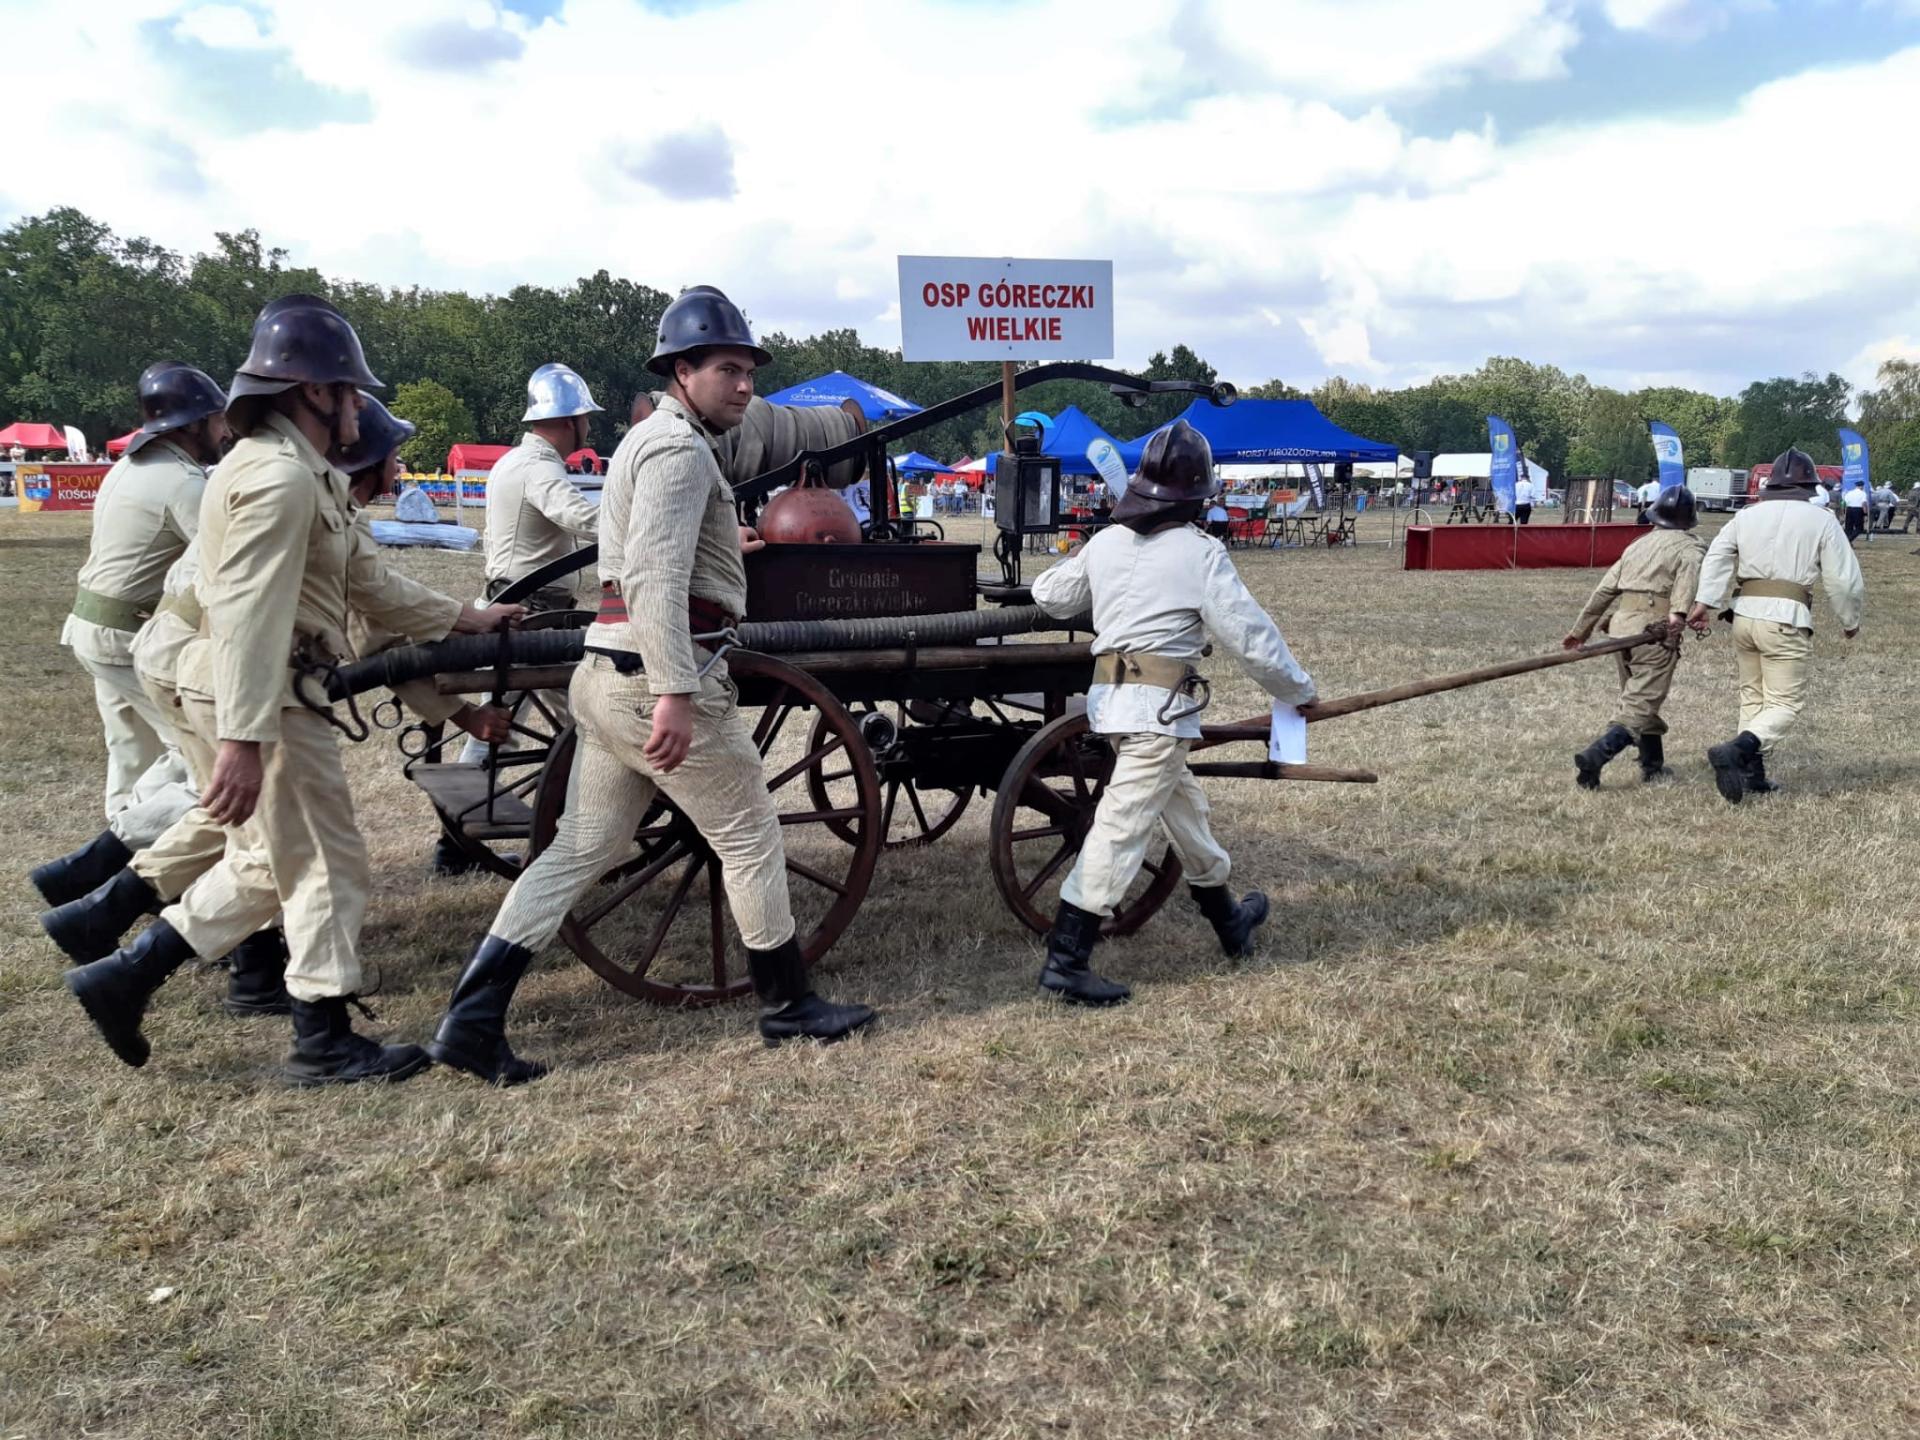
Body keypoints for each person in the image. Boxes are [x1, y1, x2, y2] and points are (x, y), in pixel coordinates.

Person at [425, 285, 876, 1086]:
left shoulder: (650, 442)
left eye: (749, 371)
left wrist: (721, 544)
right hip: (656, 677)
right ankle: (787, 1006)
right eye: (728, 370)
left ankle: (470, 1016)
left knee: (579, 849)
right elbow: (657, 581)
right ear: (682, 370)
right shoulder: (677, 450)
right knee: (749, 834)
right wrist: (674, 690)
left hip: (603, 673)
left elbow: (649, 552)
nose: (743, 386)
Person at [62, 297, 520, 1084]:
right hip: (259, 685)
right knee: (322, 862)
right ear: (316, 392)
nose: (356, 409)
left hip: (252, 679)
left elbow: (368, 583)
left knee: (268, 861)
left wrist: (466, 617)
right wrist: (244, 740)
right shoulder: (277, 481)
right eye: (349, 392)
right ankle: (321, 1037)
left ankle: (123, 969)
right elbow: (245, 617)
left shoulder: (294, 473)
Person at [1025, 419, 1315, 1006]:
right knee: (1120, 826)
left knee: (1185, 811)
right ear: (1198, 497)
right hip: (1157, 714)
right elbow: (1252, 639)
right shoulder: (1200, 554)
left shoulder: (1107, 543)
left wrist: (1103, 544)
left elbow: (1049, 595)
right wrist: (1298, 690)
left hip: (1113, 709)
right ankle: (1066, 960)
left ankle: (1229, 919)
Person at [31, 363, 231, 913]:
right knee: (201, 761)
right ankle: (112, 860)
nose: (224, 432)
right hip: (130, 636)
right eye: (216, 420)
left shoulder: (128, 468)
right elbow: (224, 564)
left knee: (132, 757)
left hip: (93, 627)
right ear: (193, 425)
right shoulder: (186, 483)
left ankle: (106, 880)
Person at [1687, 448, 1865, 803]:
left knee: (1753, 696)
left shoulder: (1745, 516)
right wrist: (1850, 620)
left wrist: (1704, 601)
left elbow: (1718, 556)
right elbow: (1844, 581)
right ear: (1810, 484)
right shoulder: (1821, 520)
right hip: (1784, 618)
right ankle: (1739, 750)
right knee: (1785, 703)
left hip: (1744, 615)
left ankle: (1753, 777)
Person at [1563, 486, 1704, 787]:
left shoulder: (1637, 545)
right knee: (1641, 703)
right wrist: (1678, 615)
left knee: (1640, 697)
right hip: (1653, 632)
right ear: (1688, 520)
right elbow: (1687, 582)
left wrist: (1580, 631)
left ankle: (1652, 765)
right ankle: (1596, 756)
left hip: (1621, 629)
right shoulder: (1689, 548)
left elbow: (1604, 590)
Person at [1840, 480, 1868, 544]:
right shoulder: (1863, 493)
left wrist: (1843, 511)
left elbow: (1844, 502)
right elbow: (1864, 504)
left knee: (1848, 527)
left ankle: (1848, 541)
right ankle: (1849, 540)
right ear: (1862, 486)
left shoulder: (1849, 492)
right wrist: (1865, 514)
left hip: (1849, 509)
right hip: (1858, 510)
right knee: (1859, 528)